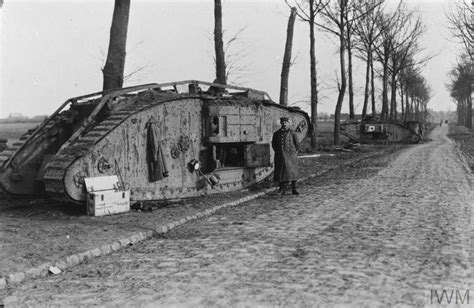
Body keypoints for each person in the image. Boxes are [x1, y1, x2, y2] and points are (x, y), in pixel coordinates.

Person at [272, 117, 300, 195]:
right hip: (280, 156)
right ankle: (281, 189)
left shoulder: (293, 133)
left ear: (289, 123)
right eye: (283, 122)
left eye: (286, 122)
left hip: (291, 156)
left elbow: (297, 144)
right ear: (280, 123)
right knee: (281, 172)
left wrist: (292, 152)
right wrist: (279, 152)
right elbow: (274, 145)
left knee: (292, 171)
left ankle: (294, 189)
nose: (284, 124)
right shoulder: (276, 133)